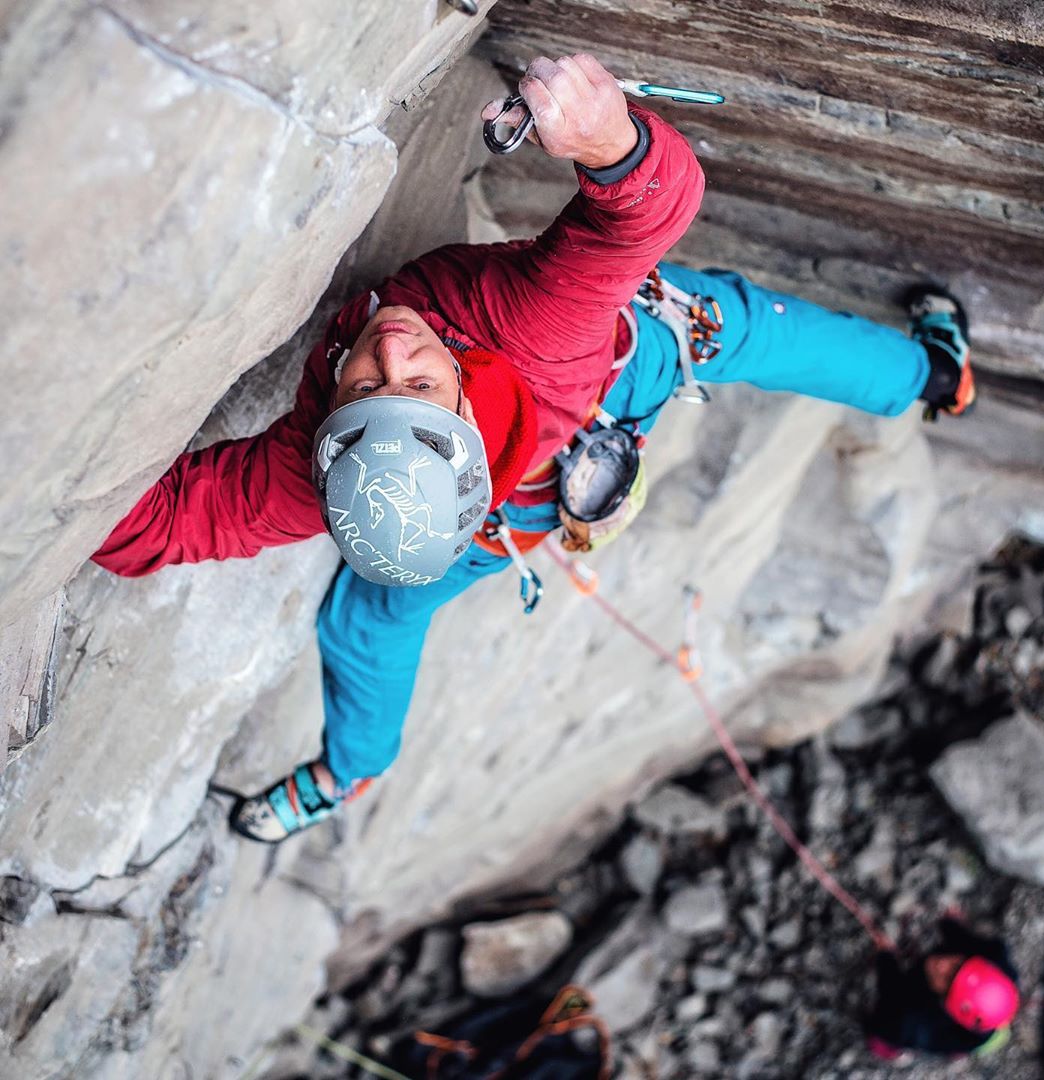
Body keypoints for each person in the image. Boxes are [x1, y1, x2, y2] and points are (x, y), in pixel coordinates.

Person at [91, 53, 976, 842]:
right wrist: (612, 144)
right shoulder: (508, 342)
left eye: (375, 388)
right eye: (398, 387)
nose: (394, 351)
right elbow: (638, 217)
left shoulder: (353, 445)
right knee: (735, 325)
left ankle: (346, 775)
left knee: (367, 624)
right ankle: (933, 375)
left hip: (523, 489)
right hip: (596, 406)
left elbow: (151, 527)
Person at [865, 918, 1020, 1059]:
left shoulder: (916, 1026)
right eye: (957, 965)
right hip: (984, 1022)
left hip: (921, 1026)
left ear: (946, 1004)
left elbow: (891, 992)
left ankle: (887, 1047)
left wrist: (885, 958)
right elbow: (968, 941)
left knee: (884, 1028)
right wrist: (950, 925)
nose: (942, 965)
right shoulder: (996, 959)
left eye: (947, 979)